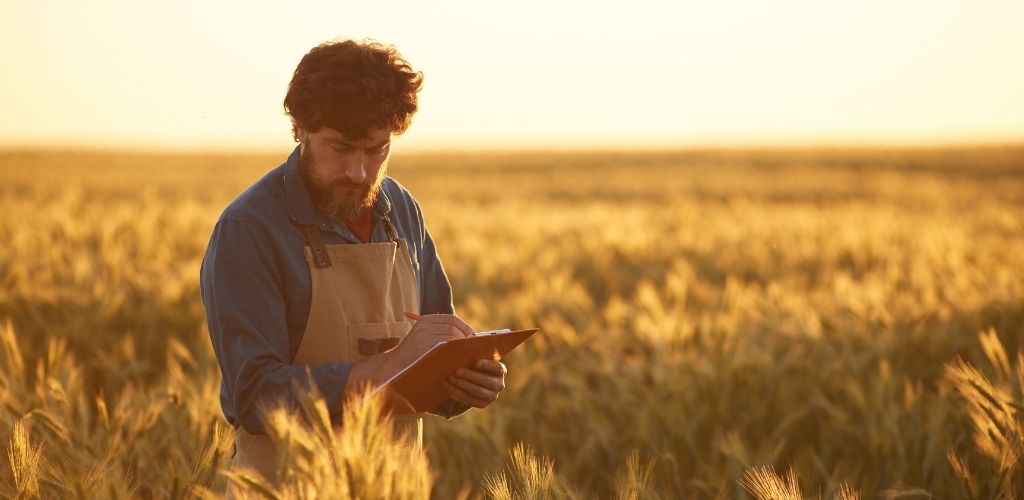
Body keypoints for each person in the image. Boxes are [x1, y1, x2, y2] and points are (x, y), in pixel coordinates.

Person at [199, 39, 507, 484]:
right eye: (340, 148)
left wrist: (463, 383)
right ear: (300, 129)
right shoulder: (249, 230)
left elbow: (433, 354)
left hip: (391, 487)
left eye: (376, 149)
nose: (359, 172)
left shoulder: (402, 211)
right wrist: (391, 364)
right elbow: (255, 395)